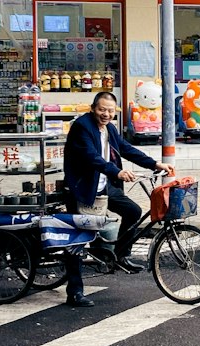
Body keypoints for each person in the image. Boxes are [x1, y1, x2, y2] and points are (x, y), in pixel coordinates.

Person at [61, 90, 165, 309]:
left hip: (105, 186)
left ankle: (119, 254)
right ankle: (75, 292)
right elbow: (92, 158)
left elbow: (126, 149)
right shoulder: (82, 127)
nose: (106, 114)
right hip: (83, 189)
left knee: (133, 212)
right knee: (78, 240)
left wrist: (155, 164)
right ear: (93, 109)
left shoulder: (109, 128)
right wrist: (116, 172)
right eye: (101, 110)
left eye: (110, 111)